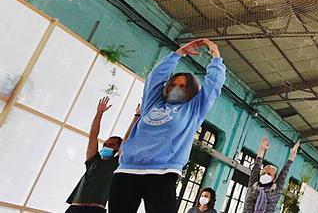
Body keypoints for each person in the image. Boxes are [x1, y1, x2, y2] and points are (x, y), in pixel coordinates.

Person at [110, 39, 226, 213]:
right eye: (173, 84)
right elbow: (155, 78)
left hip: (162, 173)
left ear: (191, 91)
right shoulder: (152, 104)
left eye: (182, 86)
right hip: (127, 170)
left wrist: (216, 57)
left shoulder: (194, 108)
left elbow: (214, 85)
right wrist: (178, 53)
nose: (176, 88)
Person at [66, 98, 138, 213]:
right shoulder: (93, 159)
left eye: (111, 144)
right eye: (105, 143)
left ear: (117, 148)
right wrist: (99, 113)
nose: (106, 145)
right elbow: (93, 136)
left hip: (96, 209)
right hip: (74, 208)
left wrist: (136, 116)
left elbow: (126, 140)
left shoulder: (117, 162)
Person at [244, 138, 300, 213]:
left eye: (269, 174)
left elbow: (285, 171)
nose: (265, 175)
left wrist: (292, 156)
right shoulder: (254, 185)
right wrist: (262, 150)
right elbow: (257, 166)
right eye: (263, 173)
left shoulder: (276, 189)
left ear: (274, 178)